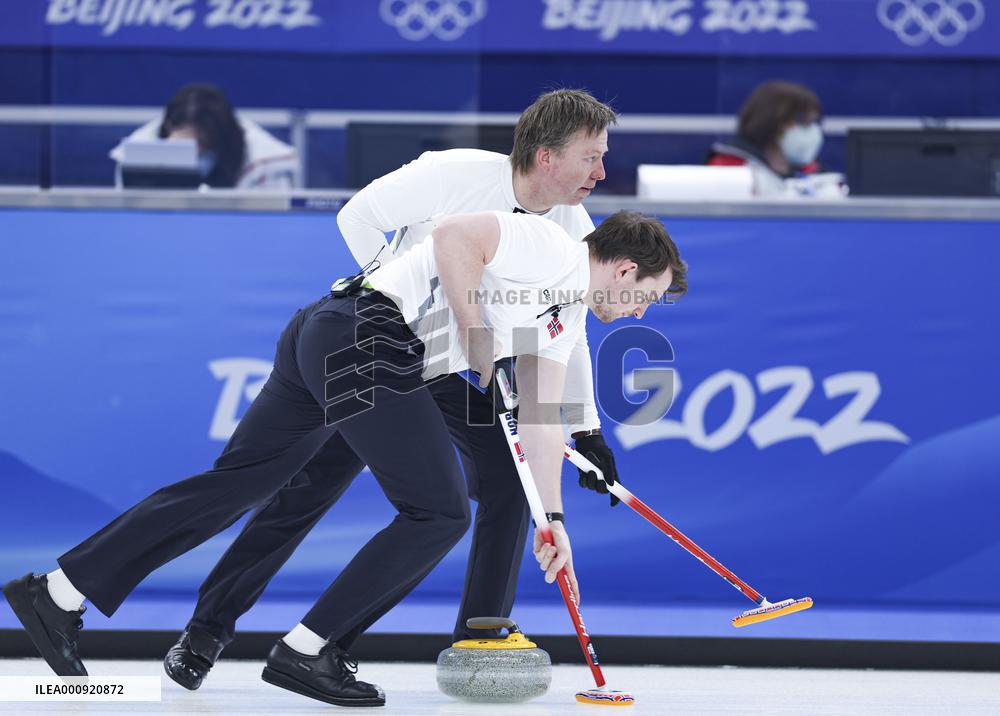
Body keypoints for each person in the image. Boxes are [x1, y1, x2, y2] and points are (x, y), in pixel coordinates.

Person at [3, 208, 688, 708]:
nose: (637, 314)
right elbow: (454, 237)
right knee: (438, 511)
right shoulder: (555, 245)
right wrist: (476, 332)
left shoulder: (563, 318)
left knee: (239, 484)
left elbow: (540, 424)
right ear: (626, 267)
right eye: (645, 298)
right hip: (368, 339)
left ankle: (57, 594)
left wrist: (553, 521)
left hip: (329, 334)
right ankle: (310, 650)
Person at [155, 89, 627, 692]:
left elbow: (568, 335)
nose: (602, 171)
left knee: (509, 471)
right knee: (307, 489)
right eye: (592, 156)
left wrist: (584, 427)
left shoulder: (571, 225)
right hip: (376, 349)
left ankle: (481, 633)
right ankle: (207, 630)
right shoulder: (454, 173)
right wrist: (389, 301)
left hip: (440, 369)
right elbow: (356, 215)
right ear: (545, 155)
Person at [110, 83, 300, 189]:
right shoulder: (136, 155)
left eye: (203, 145)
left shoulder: (265, 165)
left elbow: (269, 229)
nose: (196, 155)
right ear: (169, 128)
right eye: (187, 147)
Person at [707, 80, 825, 196]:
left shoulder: (816, 175)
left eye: (815, 122)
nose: (812, 131)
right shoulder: (728, 169)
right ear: (772, 122)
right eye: (803, 122)